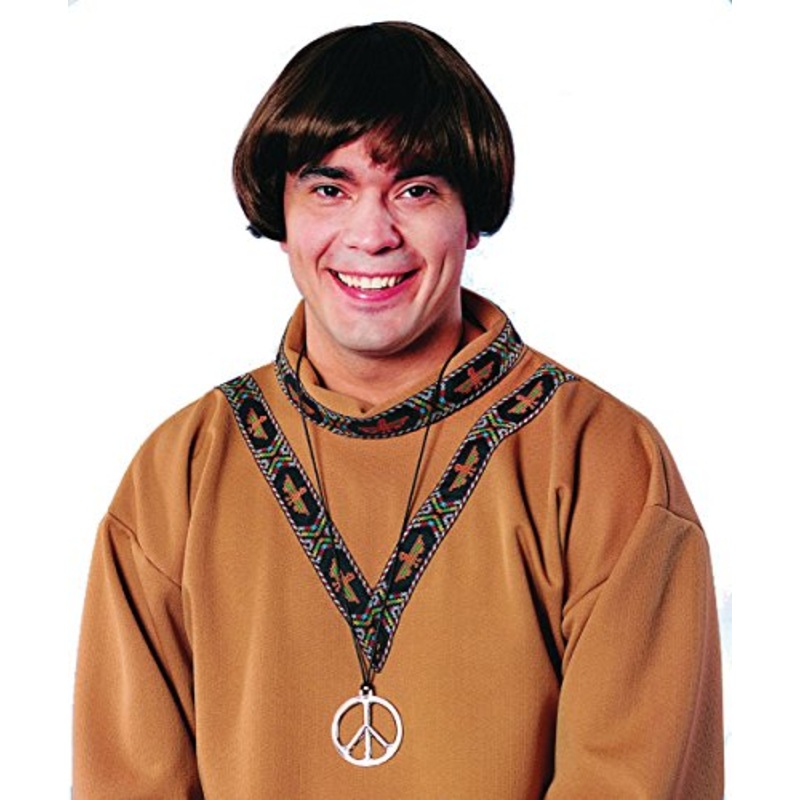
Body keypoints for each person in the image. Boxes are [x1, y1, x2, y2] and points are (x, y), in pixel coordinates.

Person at [73, 21, 724, 798]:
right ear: (281, 214)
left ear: (470, 216)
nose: (371, 234)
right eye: (330, 189)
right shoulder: (177, 474)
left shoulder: (601, 461)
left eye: (415, 190)